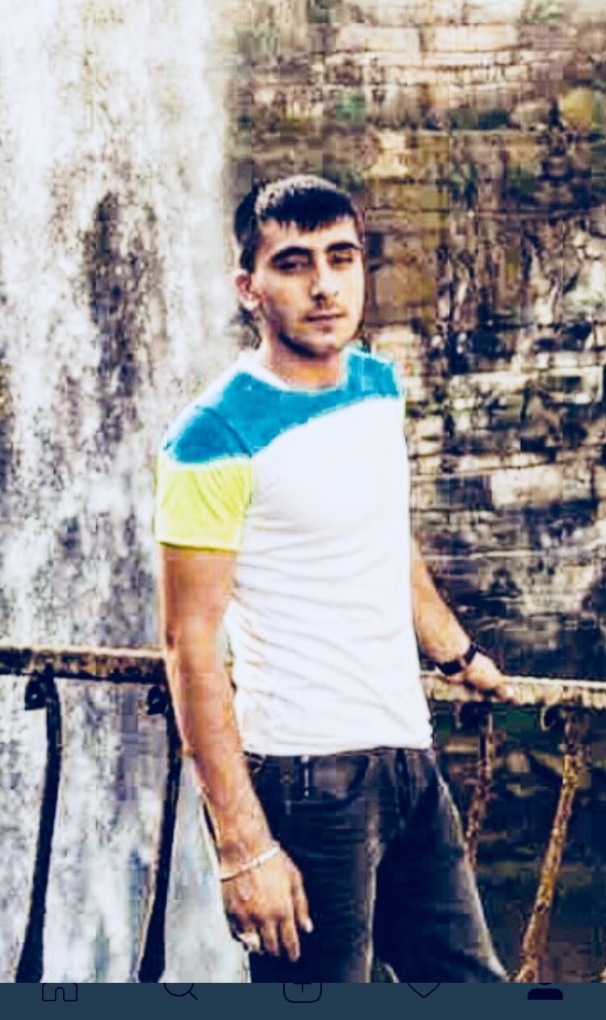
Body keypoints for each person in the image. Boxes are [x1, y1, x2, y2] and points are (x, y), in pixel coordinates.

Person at [154, 174, 512, 983]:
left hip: (409, 758)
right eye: (293, 263)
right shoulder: (210, 436)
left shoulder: (378, 386)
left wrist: (456, 654)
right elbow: (189, 645)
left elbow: (385, 538)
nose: (323, 285)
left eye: (340, 258)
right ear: (248, 287)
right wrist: (243, 846)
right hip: (305, 779)